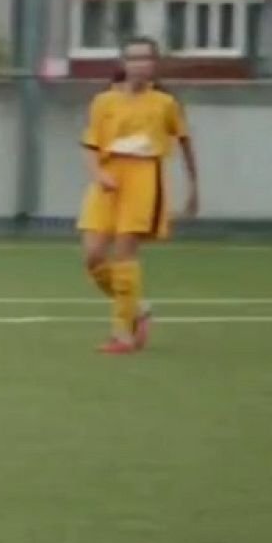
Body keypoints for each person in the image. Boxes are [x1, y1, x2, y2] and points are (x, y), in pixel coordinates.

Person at [78, 37, 199, 355]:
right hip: (108, 180)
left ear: (154, 65)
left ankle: (123, 335)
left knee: (125, 253)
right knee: (92, 257)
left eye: (146, 59)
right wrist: (99, 174)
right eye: (133, 58)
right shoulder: (103, 102)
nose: (140, 65)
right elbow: (90, 146)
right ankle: (138, 308)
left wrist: (193, 187)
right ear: (123, 64)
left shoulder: (164, 104)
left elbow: (185, 143)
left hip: (145, 177)